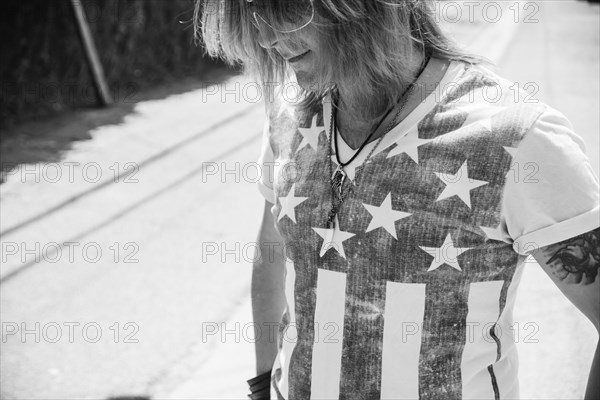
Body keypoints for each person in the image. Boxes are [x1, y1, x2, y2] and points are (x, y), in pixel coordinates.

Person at [195, 1, 600, 399]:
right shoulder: (289, 113)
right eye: (253, 13)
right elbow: (273, 255)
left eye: (286, 8)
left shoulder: (518, 137)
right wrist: (262, 386)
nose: (265, 37)